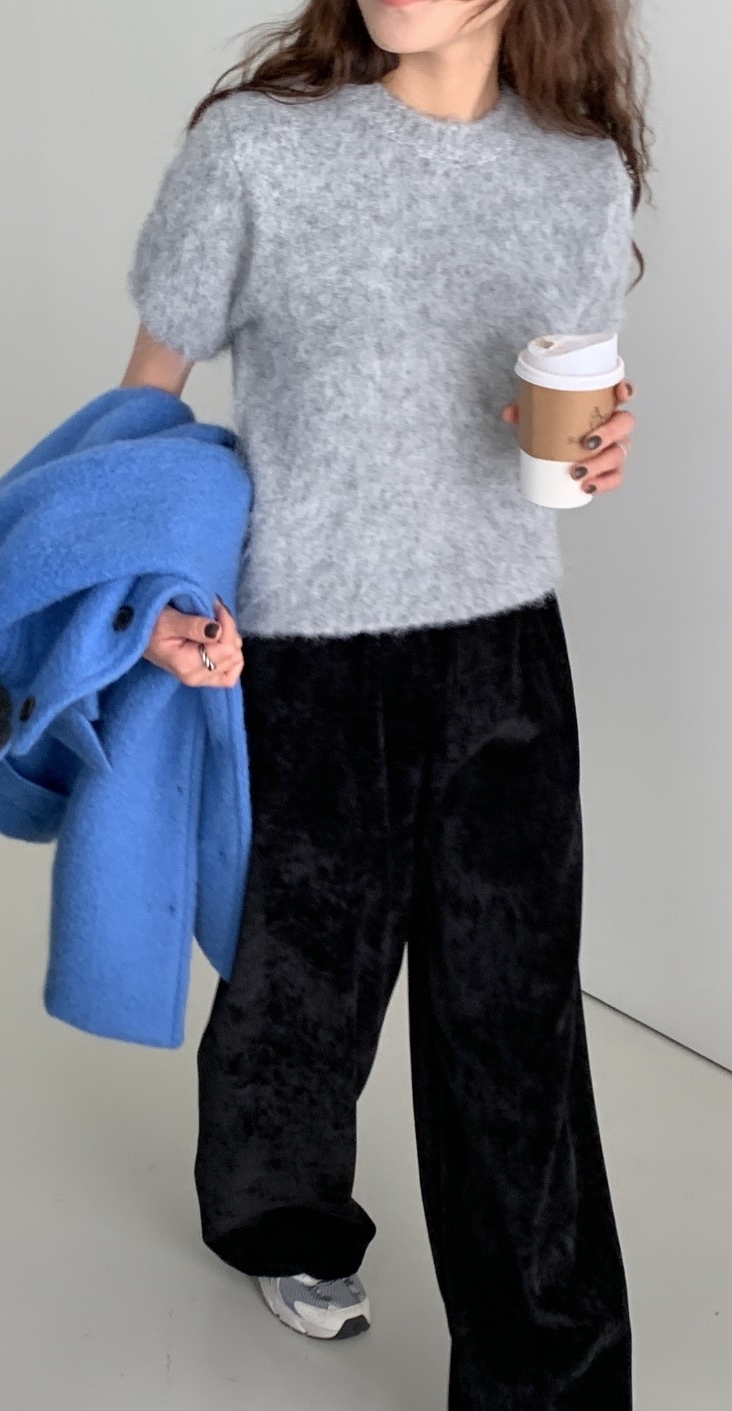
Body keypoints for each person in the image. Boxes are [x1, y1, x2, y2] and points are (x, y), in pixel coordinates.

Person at [120, 0, 650, 1404]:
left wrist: (603, 441)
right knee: (301, 981)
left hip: (505, 647)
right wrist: (150, 594)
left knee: (516, 1022)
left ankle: (549, 1376)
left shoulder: (578, 171)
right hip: (304, 648)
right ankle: (277, 1217)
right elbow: (146, 401)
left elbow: (572, 388)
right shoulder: (257, 151)